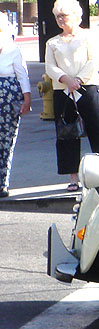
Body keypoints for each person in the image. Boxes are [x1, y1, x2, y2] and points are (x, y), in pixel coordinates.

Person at [45, 0, 99, 192]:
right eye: (58, 17)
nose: (60, 20)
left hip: (88, 87)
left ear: (75, 16)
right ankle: (73, 177)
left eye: (64, 16)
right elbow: (50, 67)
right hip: (63, 90)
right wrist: (66, 80)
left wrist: (78, 80)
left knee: (98, 128)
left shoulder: (88, 37)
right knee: (67, 133)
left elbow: (96, 60)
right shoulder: (52, 42)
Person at [0, 14, 31, 199]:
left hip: (8, 104)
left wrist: (27, 99)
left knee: (6, 142)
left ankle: (2, 183)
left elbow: (22, 76)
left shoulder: (13, 50)